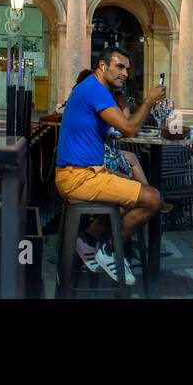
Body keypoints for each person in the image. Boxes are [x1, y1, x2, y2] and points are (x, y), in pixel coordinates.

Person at [54, 46, 165, 284]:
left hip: (87, 172)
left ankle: (87, 241)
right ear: (103, 67)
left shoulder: (95, 89)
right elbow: (129, 128)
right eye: (119, 67)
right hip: (78, 177)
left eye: (127, 68)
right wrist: (149, 101)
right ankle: (109, 250)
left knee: (131, 188)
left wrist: (122, 95)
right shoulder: (95, 90)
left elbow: (122, 122)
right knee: (153, 198)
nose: (125, 73)